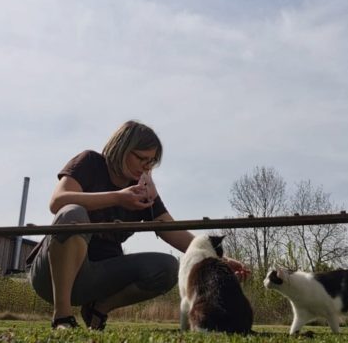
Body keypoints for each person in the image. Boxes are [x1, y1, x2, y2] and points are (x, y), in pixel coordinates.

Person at [28, 120, 250, 329]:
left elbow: (171, 231)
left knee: (167, 267)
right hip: (49, 276)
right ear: (122, 148)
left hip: (96, 277)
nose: (146, 167)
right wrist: (117, 197)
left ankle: (98, 309)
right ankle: (62, 317)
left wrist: (217, 260)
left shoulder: (142, 189)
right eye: (142, 158)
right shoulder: (89, 163)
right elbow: (58, 202)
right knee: (72, 213)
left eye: (151, 162)